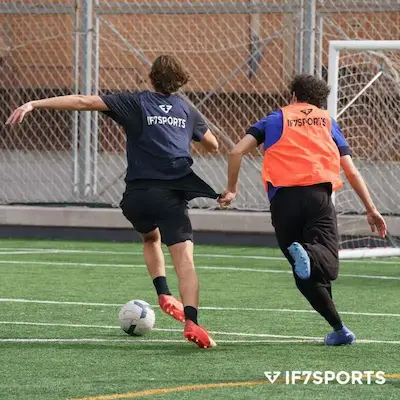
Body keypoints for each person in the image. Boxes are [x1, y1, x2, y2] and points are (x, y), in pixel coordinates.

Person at [6, 55, 218, 349]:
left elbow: (83, 102)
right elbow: (213, 143)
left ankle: (163, 292)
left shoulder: (134, 102)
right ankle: (192, 321)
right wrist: (190, 134)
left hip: (135, 198)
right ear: (180, 80)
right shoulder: (187, 109)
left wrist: (34, 103)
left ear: (150, 78)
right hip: (169, 196)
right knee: (185, 261)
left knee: (150, 237)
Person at [219, 74, 387, 345]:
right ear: (321, 100)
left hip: (282, 201)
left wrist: (232, 189)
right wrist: (371, 208)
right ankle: (309, 255)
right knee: (328, 266)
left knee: (304, 273)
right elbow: (351, 170)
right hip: (317, 198)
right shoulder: (327, 121)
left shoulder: (274, 119)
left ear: (294, 96)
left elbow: (236, 152)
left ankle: (339, 329)